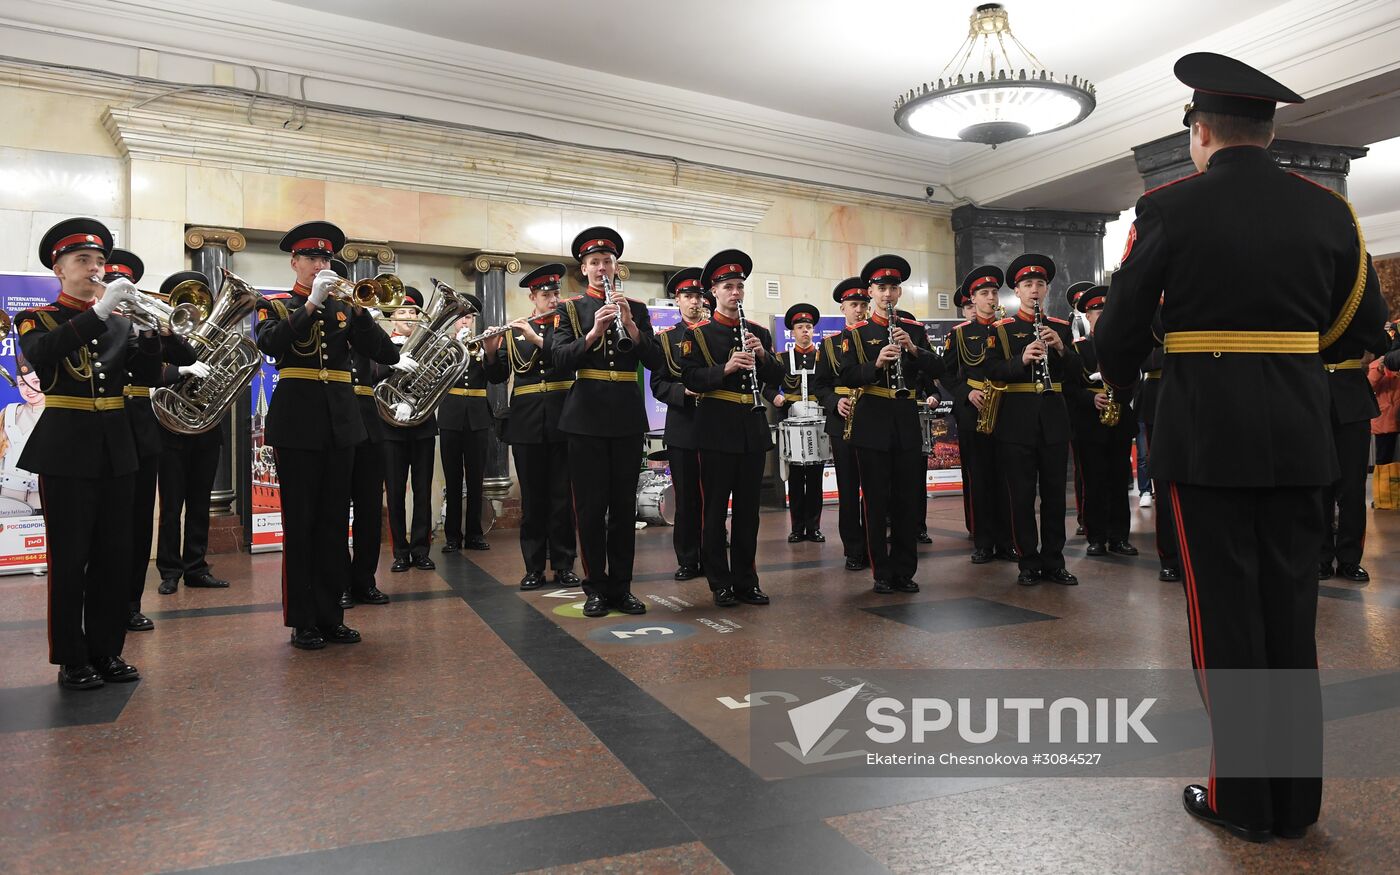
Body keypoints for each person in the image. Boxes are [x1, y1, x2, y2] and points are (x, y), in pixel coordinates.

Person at [1096, 52, 1386, 842]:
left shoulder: (1167, 207)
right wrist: (1283, 352)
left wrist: (1134, 370)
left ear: (1200, 131)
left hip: (1205, 435)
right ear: (1267, 131)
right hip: (1301, 432)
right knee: (1290, 621)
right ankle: (1297, 801)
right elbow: (1359, 326)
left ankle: (1243, 800)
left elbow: (1118, 331)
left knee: (1226, 623)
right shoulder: (1331, 212)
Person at [19, 218, 187, 688]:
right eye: (82, 261)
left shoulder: (118, 323)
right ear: (59, 269)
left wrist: (152, 333)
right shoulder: (37, 317)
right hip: (66, 448)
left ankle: (107, 650)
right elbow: (44, 354)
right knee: (71, 559)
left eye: (98, 261)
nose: (94, 269)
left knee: (116, 556)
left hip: (117, 447)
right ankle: (73, 658)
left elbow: (150, 375)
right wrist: (98, 313)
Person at [254, 221, 412, 651]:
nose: (321, 264)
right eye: (313, 258)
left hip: (342, 425)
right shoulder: (276, 305)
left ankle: (331, 616)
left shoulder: (346, 308)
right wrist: (310, 306)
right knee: (300, 526)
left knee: (331, 525)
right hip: (297, 424)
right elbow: (272, 346)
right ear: (295, 262)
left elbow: (387, 353)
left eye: (325, 258)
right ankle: (303, 620)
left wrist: (360, 312)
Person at [548, 227, 666, 617]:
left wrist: (630, 325)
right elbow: (560, 359)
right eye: (594, 263)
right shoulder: (569, 308)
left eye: (608, 262)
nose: (602, 268)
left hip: (626, 417)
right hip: (585, 419)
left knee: (623, 508)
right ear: (584, 270)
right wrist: (595, 330)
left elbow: (655, 361)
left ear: (618, 268)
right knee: (590, 508)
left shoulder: (637, 307)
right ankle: (595, 587)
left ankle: (622, 587)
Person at [835, 255, 945, 594]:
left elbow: (938, 368)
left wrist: (913, 350)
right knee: (876, 500)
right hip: (871, 421)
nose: (887, 294)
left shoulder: (913, 330)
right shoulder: (855, 333)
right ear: (871, 291)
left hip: (905, 420)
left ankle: (904, 570)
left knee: (906, 499)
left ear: (899, 293)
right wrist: (875, 364)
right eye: (881, 288)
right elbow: (845, 374)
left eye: (893, 288)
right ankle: (881, 572)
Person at [679, 250, 781, 606]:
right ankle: (719, 582)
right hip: (715, 431)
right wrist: (724, 368)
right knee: (713, 512)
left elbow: (777, 378)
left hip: (751, 430)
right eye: (728, 287)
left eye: (739, 286)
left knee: (749, 514)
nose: (735, 293)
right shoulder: (699, 334)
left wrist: (764, 357)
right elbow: (689, 377)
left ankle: (746, 580)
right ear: (714, 292)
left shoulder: (757, 332)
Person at [984, 253, 1080, 586]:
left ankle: (1054, 560)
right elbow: (991, 371)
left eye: (1040, 284)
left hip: (1053, 420)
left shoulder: (1062, 328)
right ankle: (1028, 562)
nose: (1035, 290)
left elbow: (1077, 375)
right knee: (1022, 496)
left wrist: (1063, 352)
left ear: (1047, 289)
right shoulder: (1002, 330)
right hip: (1017, 423)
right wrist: (1021, 360)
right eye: (1028, 285)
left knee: (1055, 496)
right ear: (1018, 291)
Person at [494, 263, 580, 590]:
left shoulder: (569, 327)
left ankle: (563, 565)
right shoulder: (514, 331)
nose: (553, 299)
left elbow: (568, 360)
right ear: (533, 296)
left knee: (561, 498)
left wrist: (537, 338)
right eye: (546, 294)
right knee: (532, 500)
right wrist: (491, 355)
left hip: (562, 420)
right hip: (527, 423)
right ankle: (533, 568)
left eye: (556, 292)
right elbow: (497, 376)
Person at [153, 270, 229, 599]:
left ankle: (196, 567)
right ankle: (169, 571)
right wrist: (177, 371)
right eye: (184, 304)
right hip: (169, 429)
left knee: (200, 504)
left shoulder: (212, 338)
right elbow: (143, 370)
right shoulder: (157, 334)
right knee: (171, 506)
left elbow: (227, 377)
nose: (193, 311)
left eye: (198, 304)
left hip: (205, 428)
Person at [945, 265, 1015, 563]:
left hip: (1008, 409)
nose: (990, 298)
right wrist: (966, 393)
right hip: (974, 411)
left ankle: (1008, 541)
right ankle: (984, 542)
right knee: (980, 478)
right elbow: (946, 374)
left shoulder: (1010, 328)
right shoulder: (960, 334)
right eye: (983, 293)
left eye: (994, 293)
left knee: (1008, 479)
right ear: (972, 299)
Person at [344, 259, 403, 607]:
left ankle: (364, 580)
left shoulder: (357, 319)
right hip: (335, 420)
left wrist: (362, 314)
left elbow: (388, 353)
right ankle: (338, 581)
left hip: (368, 422)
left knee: (368, 510)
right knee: (336, 510)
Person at [1064, 285, 1138, 558]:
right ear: (1087, 315)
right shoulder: (1078, 348)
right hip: (1089, 422)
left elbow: (1134, 380)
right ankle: (1096, 537)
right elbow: (1069, 388)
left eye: (1106, 309)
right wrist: (1090, 399)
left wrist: (1120, 395)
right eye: (1096, 310)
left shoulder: (1125, 346)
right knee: (1093, 481)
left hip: (1118, 416)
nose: (1101, 314)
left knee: (1120, 481)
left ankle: (1119, 537)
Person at [1319, 312, 1386, 582]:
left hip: (1351, 392)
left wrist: (1364, 321)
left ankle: (1349, 558)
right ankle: (1319, 557)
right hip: (1313, 391)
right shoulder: (1310, 297)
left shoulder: (1356, 304)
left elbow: (1381, 344)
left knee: (1353, 486)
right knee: (1318, 484)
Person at [650, 267, 708, 580]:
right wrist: (682, 391)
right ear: (677, 300)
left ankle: (713, 552)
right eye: (688, 295)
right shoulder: (666, 340)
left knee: (714, 496)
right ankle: (688, 559)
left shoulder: (717, 333)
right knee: (686, 498)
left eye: (699, 295)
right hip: (683, 425)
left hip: (717, 425)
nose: (694, 301)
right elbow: (657, 384)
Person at [438, 299, 506, 553]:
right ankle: (452, 536)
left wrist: (489, 352)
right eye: (460, 317)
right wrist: (455, 346)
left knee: (477, 478)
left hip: (477, 416)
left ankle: (475, 533)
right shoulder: (442, 346)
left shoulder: (484, 346)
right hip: (451, 416)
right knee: (453, 478)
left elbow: (497, 376)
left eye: (469, 317)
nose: (464, 321)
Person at [813, 278, 870, 570]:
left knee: (875, 489)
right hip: (842, 421)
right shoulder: (830, 345)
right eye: (854, 305)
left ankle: (874, 545)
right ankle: (854, 550)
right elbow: (819, 385)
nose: (859, 310)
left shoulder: (877, 336)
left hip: (875, 418)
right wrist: (836, 402)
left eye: (863, 305)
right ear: (843, 308)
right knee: (848, 489)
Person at [381, 285, 439, 573]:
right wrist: (393, 367)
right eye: (403, 311)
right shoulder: (381, 345)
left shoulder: (428, 346)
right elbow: (373, 376)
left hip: (423, 426)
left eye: (414, 312)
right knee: (394, 491)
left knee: (422, 490)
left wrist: (414, 400)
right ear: (391, 317)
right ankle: (400, 552)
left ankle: (421, 549)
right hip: (390, 427)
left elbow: (436, 379)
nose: (409, 316)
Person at [768, 302, 826, 543]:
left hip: (817, 421)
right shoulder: (781, 358)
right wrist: (776, 397)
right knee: (795, 477)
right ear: (792, 332)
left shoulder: (823, 357)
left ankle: (813, 527)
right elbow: (768, 386)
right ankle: (796, 528)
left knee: (815, 477)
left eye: (808, 327)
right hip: (790, 421)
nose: (805, 331)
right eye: (800, 327)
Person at [0, 355, 44, 516]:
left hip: (45, 501)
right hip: (8, 503)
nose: (29, 390)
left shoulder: (60, 415)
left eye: (36, 382)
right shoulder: (8, 413)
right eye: (22, 384)